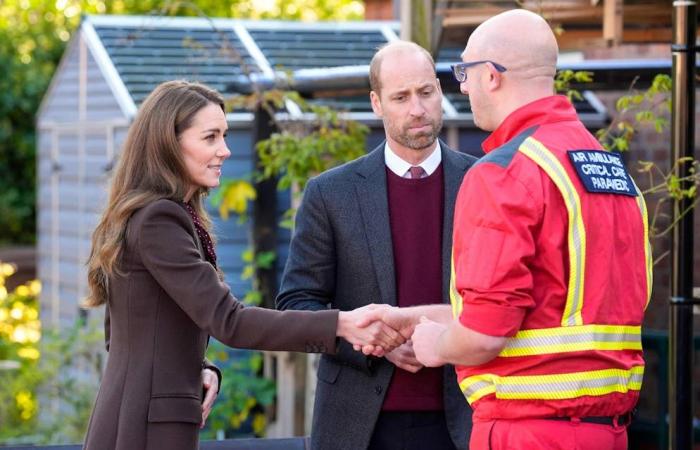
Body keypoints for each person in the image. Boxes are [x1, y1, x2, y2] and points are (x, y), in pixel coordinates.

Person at [360, 9, 652, 450]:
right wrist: (412, 317)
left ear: (491, 76)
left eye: (465, 72)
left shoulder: (504, 172)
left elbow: (484, 334)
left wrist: (436, 344)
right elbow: (547, 312)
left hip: (528, 428)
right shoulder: (607, 168)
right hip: (606, 429)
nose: (462, 86)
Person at [81, 80, 404, 450]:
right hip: (145, 431)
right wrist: (342, 324)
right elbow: (230, 322)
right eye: (210, 137)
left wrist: (200, 369)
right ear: (169, 144)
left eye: (225, 136)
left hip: (133, 422)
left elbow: (129, 334)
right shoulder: (159, 220)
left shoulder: (154, 215)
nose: (225, 150)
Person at [276, 41, 476, 450]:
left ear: (440, 92)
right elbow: (297, 304)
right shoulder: (330, 193)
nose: (417, 108)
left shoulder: (482, 182)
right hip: (358, 422)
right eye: (400, 97)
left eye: (425, 92)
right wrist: (376, 344)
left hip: (465, 414)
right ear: (376, 103)